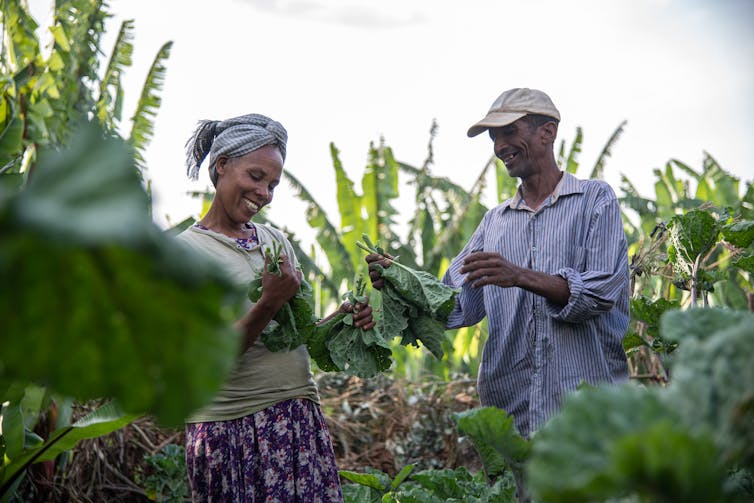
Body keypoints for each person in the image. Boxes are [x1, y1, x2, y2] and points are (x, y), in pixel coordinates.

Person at [366, 88, 630, 438]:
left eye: (509, 132)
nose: (500, 146)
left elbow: (599, 293)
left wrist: (518, 275)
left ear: (547, 132)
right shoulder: (495, 222)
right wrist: (400, 287)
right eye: (494, 137)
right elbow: (455, 304)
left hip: (586, 413)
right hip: (512, 410)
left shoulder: (594, 200)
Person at [177, 113, 374, 501]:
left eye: (273, 185)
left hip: (296, 419)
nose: (264, 193)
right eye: (255, 177)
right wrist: (269, 301)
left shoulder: (275, 242)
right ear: (222, 166)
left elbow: (297, 336)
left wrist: (342, 319)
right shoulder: (184, 254)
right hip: (229, 431)